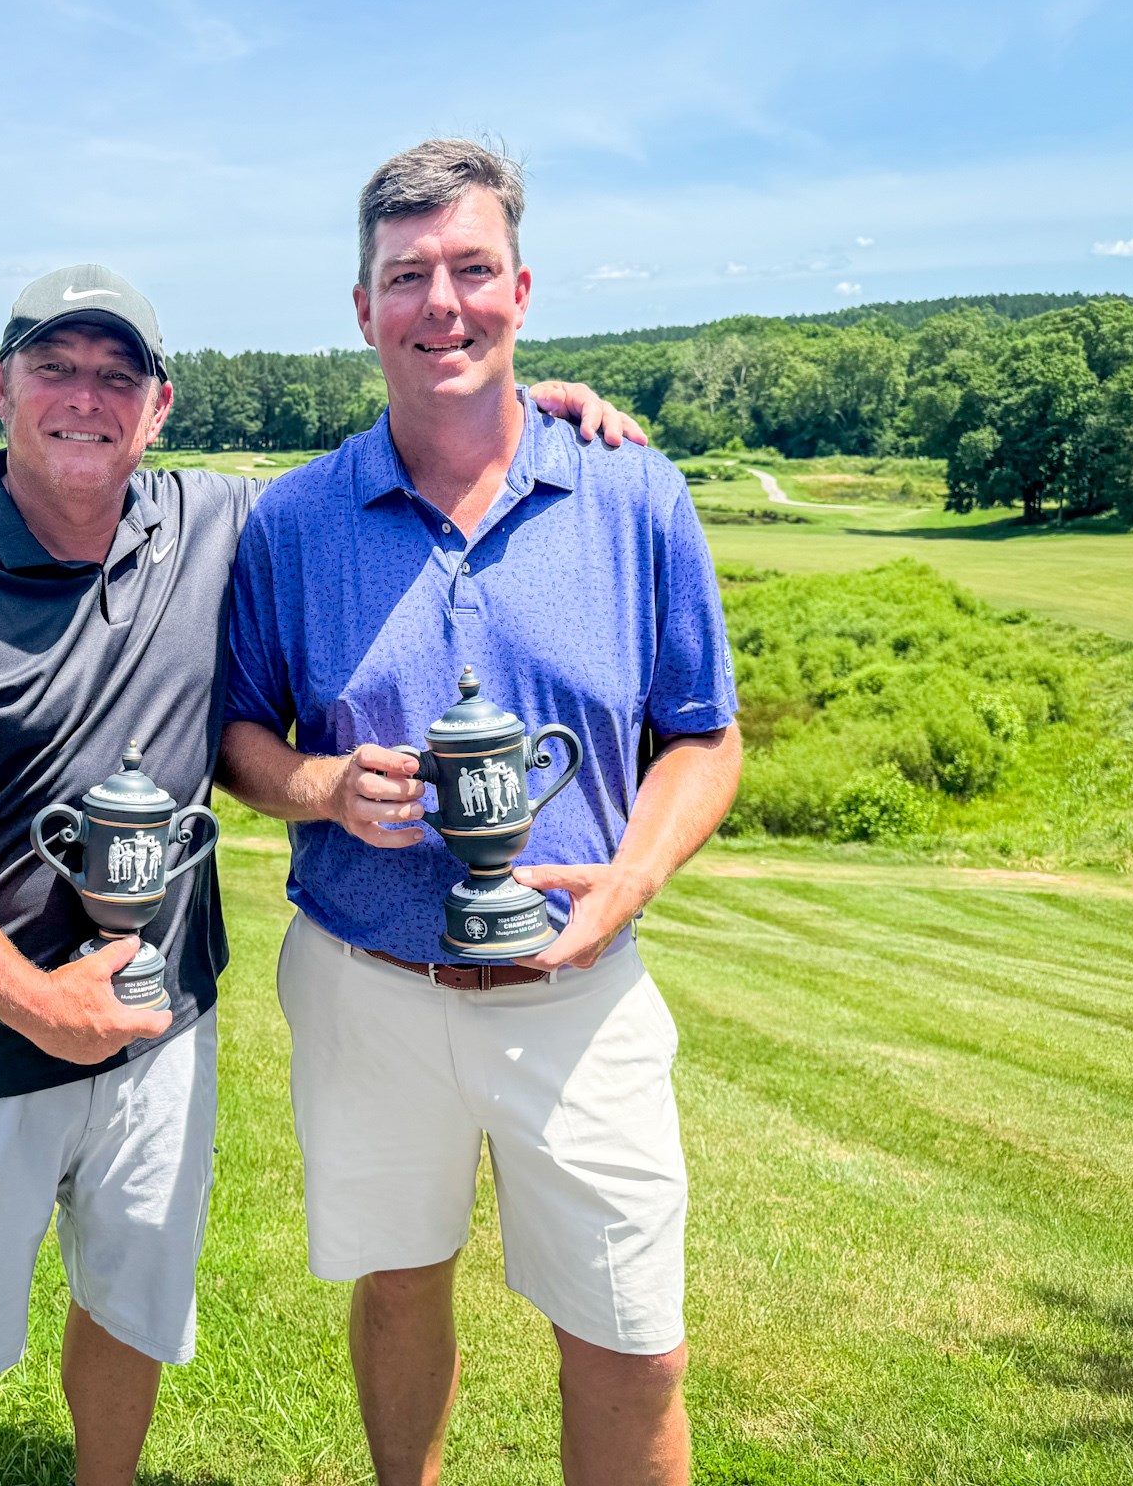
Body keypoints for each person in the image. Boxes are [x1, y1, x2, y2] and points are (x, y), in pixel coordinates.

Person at [0, 262, 642, 1486]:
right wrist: (37, 1001)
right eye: (55, 368)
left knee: (129, 1307)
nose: (84, 397)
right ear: (0, 388)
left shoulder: (213, 524)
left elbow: (391, 469)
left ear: (159, 408)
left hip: (160, 1022)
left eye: (116, 375)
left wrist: (519, 403)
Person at [218, 138, 743, 1486]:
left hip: (581, 989)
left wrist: (629, 878)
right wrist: (317, 786)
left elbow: (704, 739)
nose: (440, 304)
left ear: (520, 288)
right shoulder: (291, 522)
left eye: (470, 270)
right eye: (406, 277)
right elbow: (236, 735)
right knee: (398, 1292)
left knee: (632, 1341)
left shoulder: (631, 491)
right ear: (361, 309)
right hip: (365, 983)